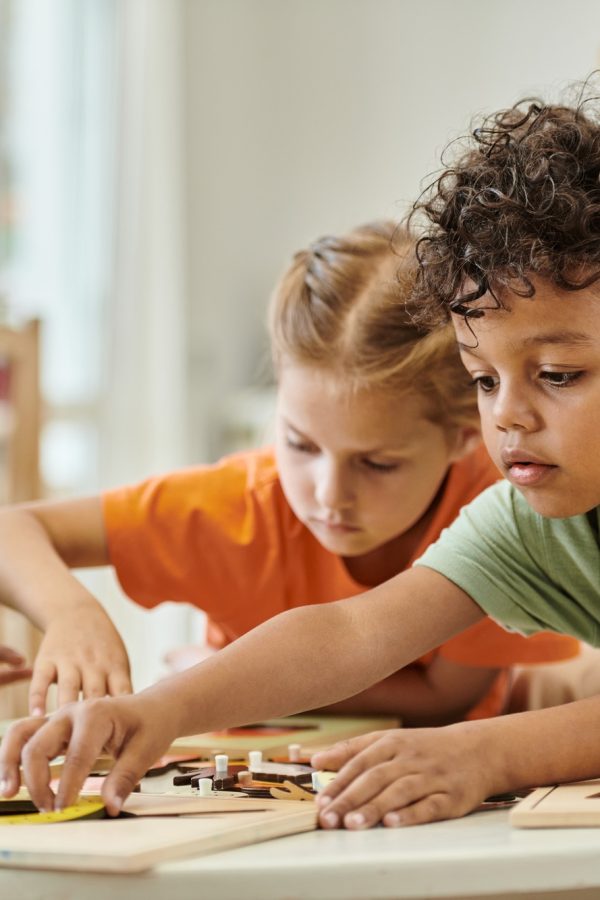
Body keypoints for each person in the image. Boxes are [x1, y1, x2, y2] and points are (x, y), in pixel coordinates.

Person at [3, 128, 598, 827]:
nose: (508, 417)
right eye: (484, 380)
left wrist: (489, 753)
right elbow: (351, 633)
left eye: (558, 375)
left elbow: (451, 705)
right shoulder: (524, 524)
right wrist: (156, 710)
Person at [0, 222, 573, 724]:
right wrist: (74, 614)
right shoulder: (238, 503)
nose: (329, 494)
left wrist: (219, 678)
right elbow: (11, 531)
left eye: (377, 464)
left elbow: (443, 699)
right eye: (298, 444)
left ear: (464, 434)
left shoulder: (503, 503)